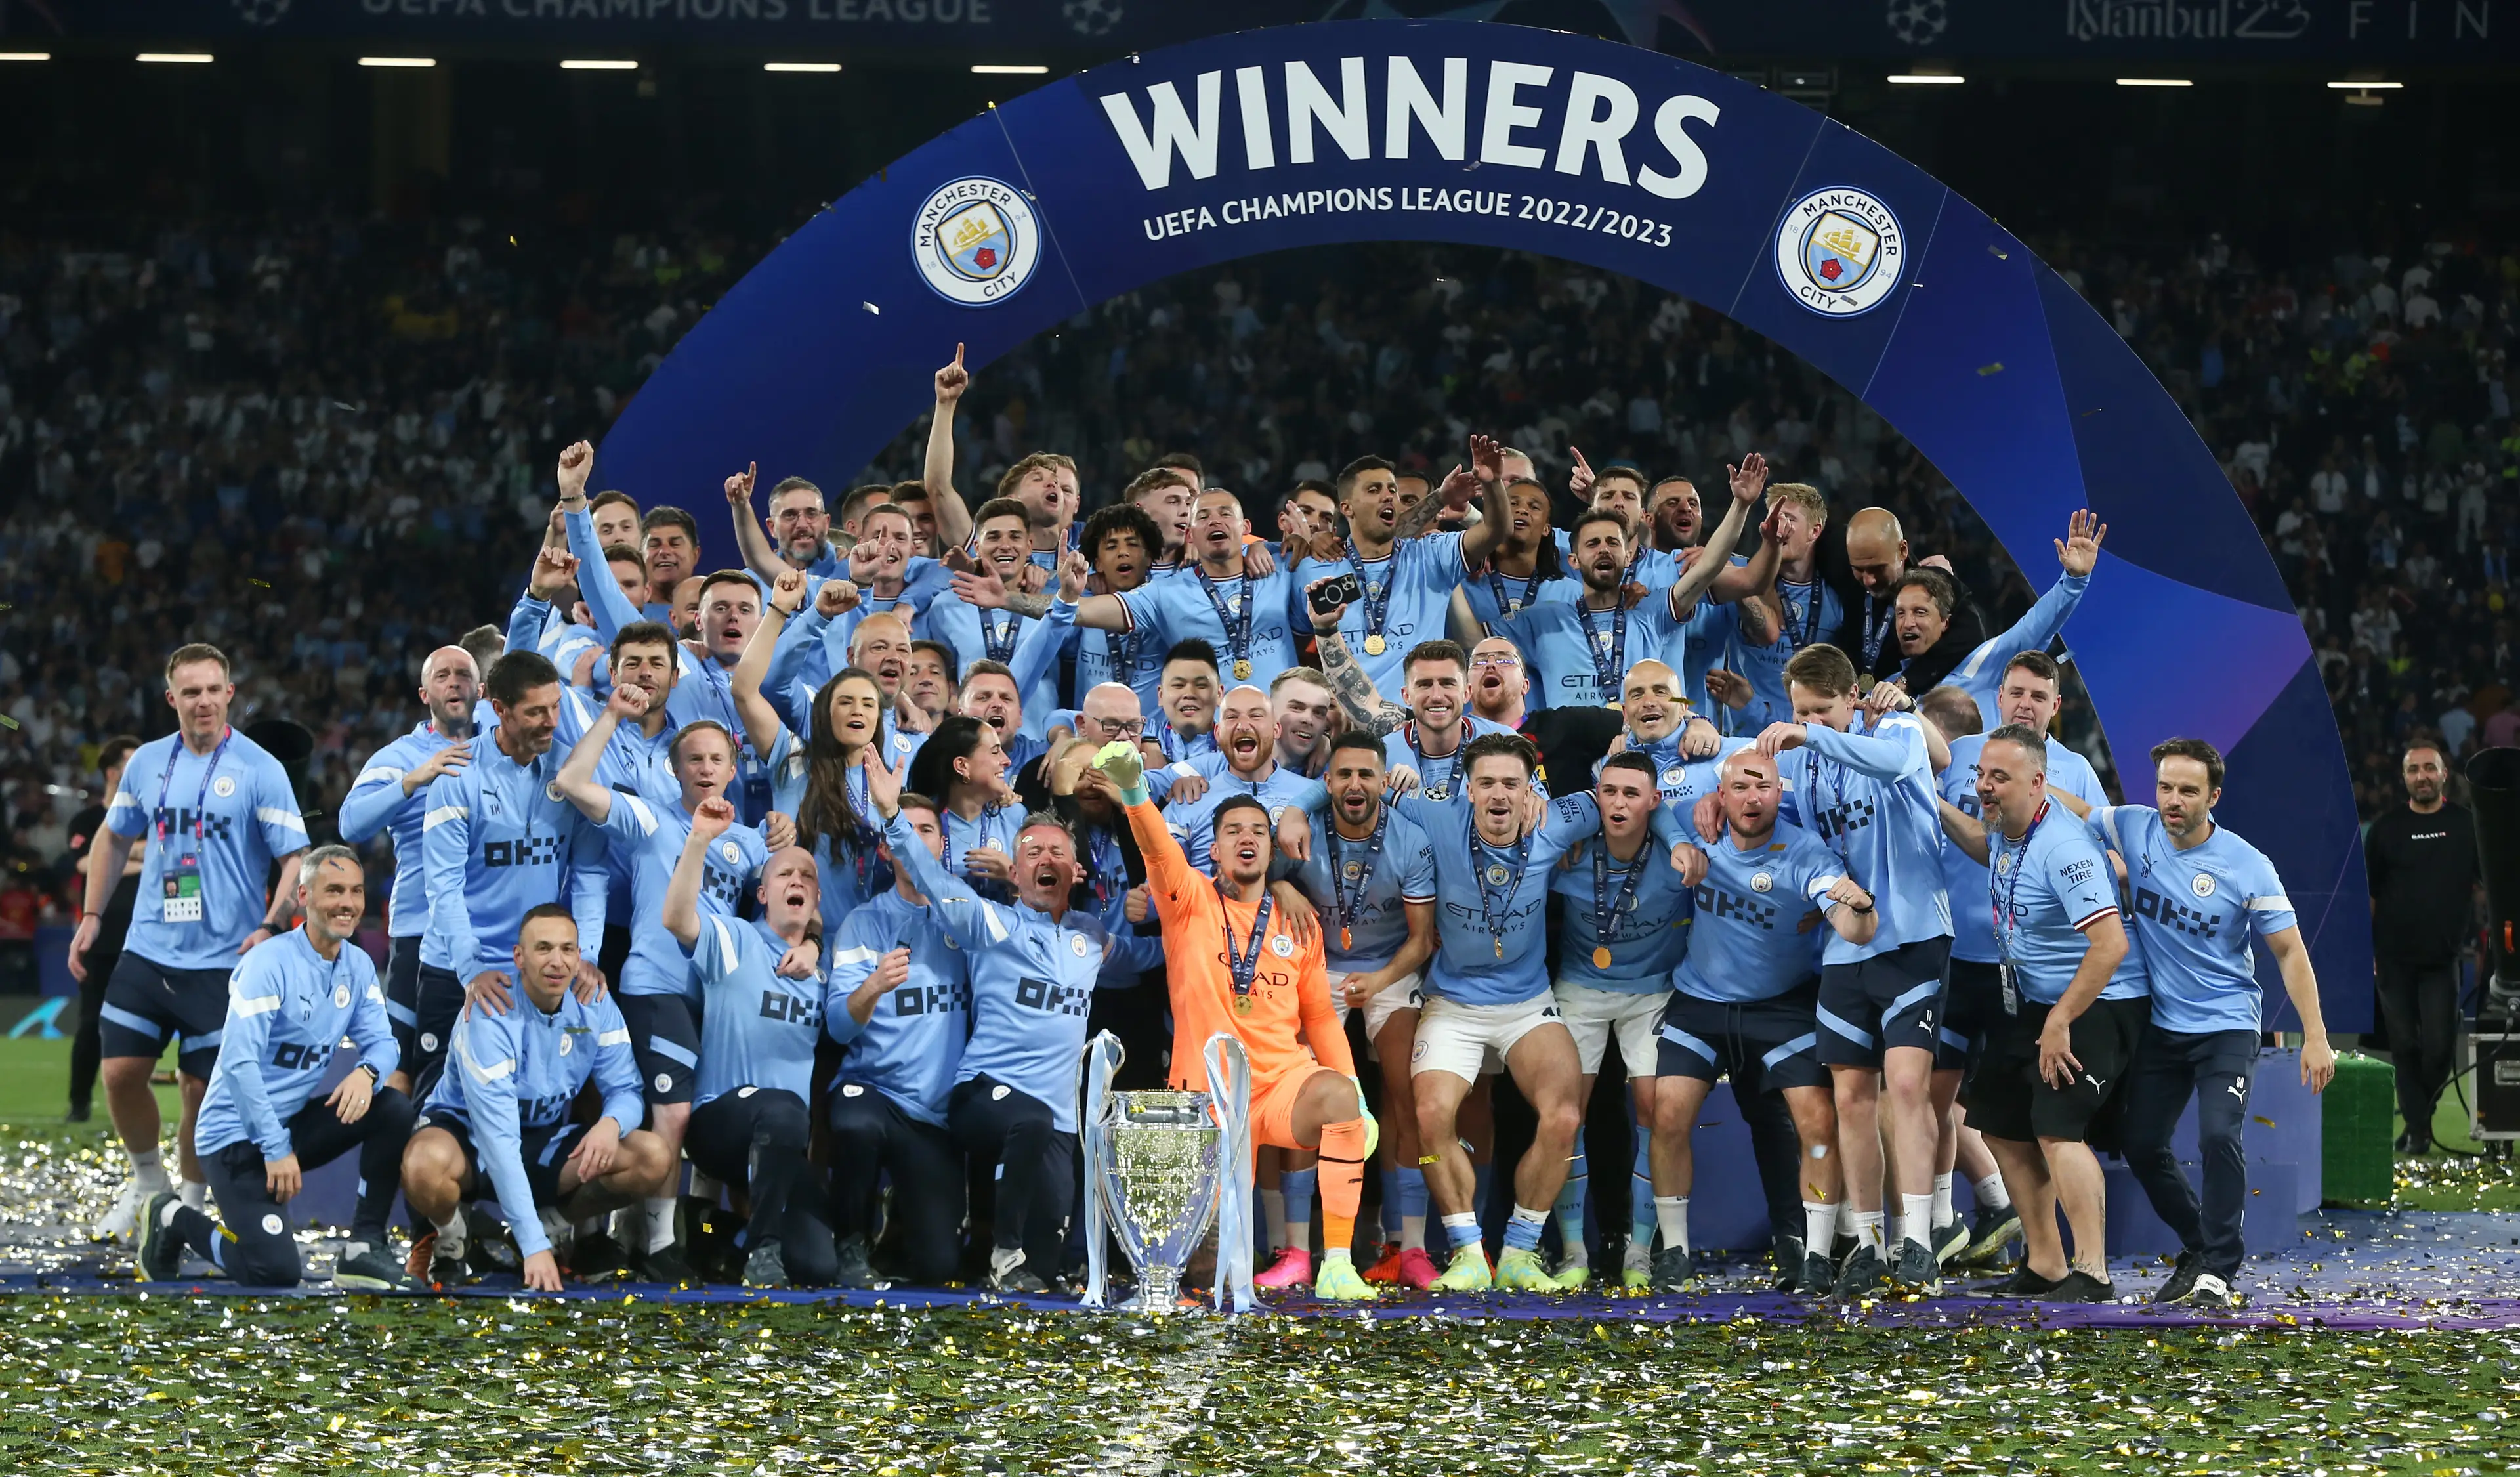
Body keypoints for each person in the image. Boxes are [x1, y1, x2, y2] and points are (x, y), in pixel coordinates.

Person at [1280, 732, 1700, 1292]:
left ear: (1531, 791)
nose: (1499, 795)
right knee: (1431, 1115)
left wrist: (1676, 842)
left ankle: (1521, 1252)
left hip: (1526, 1004)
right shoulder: (1435, 816)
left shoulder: (1560, 817)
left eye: (1511, 784)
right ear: (1468, 790)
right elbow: (1353, 783)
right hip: (1452, 1003)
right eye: (1486, 784)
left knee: (1565, 1115)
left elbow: (1645, 801)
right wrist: (1293, 808)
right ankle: (1469, 1252)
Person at [1099, 741, 1382, 1302]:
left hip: (1279, 1085)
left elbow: (1321, 1015)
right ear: (1215, 848)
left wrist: (1353, 1089)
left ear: (1270, 848)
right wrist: (1136, 794)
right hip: (1207, 1099)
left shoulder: (1295, 919)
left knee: (1337, 1098)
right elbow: (1158, 854)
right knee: (1205, 1277)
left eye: (1257, 830)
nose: (1247, 838)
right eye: (1233, 831)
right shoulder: (1189, 901)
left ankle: (1339, 1265)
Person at [1725, 642, 1951, 1296]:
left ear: (1853, 699)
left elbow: (1888, 763)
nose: (1811, 723)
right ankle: (1871, 1241)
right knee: (1851, 1098)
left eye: (1823, 711)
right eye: (1801, 712)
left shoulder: (1897, 730)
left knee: (1905, 1088)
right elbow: (1778, 820)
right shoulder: (1807, 765)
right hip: (1845, 947)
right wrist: (1721, 803)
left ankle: (1918, 1241)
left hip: (1913, 936)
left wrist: (1810, 738)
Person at [72, 644, 308, 1240]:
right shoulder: (148, 763)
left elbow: (295, 860)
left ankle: (192, 1205)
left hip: (223, 960)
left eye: (213, 690)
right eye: (191, 692)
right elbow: (110, 839)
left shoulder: (261, 769)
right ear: (172, 698)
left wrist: (272, 926)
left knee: (202, 1093)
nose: (203, 701)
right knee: (121, 1073)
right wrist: (92, 915)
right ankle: (149, 1183)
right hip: (148, 950)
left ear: (230, 694)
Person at [862, 746, 1114, 1293]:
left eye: (1057, 851)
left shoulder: (1094, 938)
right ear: (1014, 871)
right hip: (983, 1095)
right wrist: (891, 818)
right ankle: (1002, 1252)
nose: (1045, 859)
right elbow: (933, 880)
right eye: (1032, 851)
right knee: (1029, 1120)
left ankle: (1018, 1251)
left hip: (1055, 1123)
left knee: (1046, 1268)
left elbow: (1167, 929)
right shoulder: (992, 923)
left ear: (1076, 870)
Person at [2101, 738, 2338, 1310]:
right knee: (2139, 1144)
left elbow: (2289, 952)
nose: (2173, 800)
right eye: (2165, 787)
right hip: (2164, 1024)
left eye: (2188, 790)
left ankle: (2219, 1270)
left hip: (2227, 1025)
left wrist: (2316, 1035)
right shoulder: (2133, 828)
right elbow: (2073, 808)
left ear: (2214, 796)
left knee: (2216, 1135)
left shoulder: (2246, 864)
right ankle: (2200, 1247)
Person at [553, 687, 778, 1279]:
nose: (705, 769)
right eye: (693, 760)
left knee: (696, 1116)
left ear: (734, 768)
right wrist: (610, 717)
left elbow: (781, 913)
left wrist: (804, 943)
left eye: (715, 760)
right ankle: (658, 1245)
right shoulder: (651, 817)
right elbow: (574, 782)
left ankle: (637, 1231)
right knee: (668, 1114)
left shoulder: (752, 843)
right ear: (672, 770)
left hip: (720, 999)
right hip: (658, 987)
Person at [134, 847, 414, 1291]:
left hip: (287, 1126)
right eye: (334, 890)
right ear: (303, 896)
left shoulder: (357, 966)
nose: (348, 902)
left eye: (356, 891)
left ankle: (364, 1246)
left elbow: (385, 1044)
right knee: (274, 1272)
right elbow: (241, 1065)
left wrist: (367, 1072)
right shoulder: (267, 965)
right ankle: (174, 1217)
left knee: (394, 1107)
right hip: (236, 1136)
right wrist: (276, 1149)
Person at [1936, 725, 2149, 1302]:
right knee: (2001, 1127)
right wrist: (1930, 804)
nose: (1984, 786)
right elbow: (1986, 847)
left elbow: (2111, 947)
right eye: (1981, 774)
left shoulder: (2065, 848)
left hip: (2099, 1001)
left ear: (2038, 783)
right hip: (2033, 1000)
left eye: (1998, 778)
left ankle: (2093, 1272)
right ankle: (2048, 1263)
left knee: (2058, 1130)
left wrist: (2059, 1023)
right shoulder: (2011, 827)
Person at [1651, 750, 1876, 1296]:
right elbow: (1652, 809)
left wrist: (1860, 910)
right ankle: (1674, 1252)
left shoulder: (1805, 852)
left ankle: (1818, 1254)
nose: (1753, 798)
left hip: (1781, 1007)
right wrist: (1680, 842)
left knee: (1818, 1123)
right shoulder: (1697, 828)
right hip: (1699, 1003)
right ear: (1719, 797)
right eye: (1740, 788)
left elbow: (1848, 923)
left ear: (1782, 793)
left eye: (1765, 787)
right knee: (1668, 1113)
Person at [1925, 654, 2107, 1268]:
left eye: (2039, 695)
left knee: (2050, 1127)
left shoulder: (2073, 786)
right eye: (2015, 693)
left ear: (2057, 708)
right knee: (1969, 1109)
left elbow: (2110, 864)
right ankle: (1998, 1243)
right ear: (1996, 698)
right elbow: (1984, 841)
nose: (2026, 703)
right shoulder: (1964, 760)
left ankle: (2077, 1262)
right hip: (1978, 968)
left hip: (2049, 987)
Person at [402, 905, 672, 1291]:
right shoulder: (490, 1011)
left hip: (540, 1141)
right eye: (543, 948)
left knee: (652, 1156)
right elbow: (498, 1141)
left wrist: (611, 1125)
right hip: (471, 1141)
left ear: (580, 956)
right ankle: (453, 1236)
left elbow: (627, 1091)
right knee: (421, 1165)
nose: (557, 962)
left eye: (567, 949)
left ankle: (551, 1225)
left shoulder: (594, 1002)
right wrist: (534, 1250)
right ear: (519, 957)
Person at [1274, 732, 1440, 1287]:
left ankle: (1409, 1244)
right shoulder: (1299, 835)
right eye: (1344, 775)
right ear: (1328, 783)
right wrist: (1280, 884)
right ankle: (1297, 1249)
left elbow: (1421, 940)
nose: (1354, 785)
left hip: (1388, 968)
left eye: (1366, 775)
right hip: (1315, 966)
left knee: (1406, 1092)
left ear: (1383, 780)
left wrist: (1381, 980)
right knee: (1300, 1092)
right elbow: (1248, 871)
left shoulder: (1411, 840)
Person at [410, 651, 610, 1101]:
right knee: (437, 1113)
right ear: (499, 709)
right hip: (458, 969)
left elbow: (590, 873)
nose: (551, 721)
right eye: (536, 711)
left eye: (556, 706)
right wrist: (470, 969)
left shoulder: (571, 771)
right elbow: (443, 885)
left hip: (539, 971)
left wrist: (587, 955)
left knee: (540, 1104)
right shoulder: (457, 774)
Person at [664, 798, 836, 1288]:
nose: (797, 881)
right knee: (781, 1108)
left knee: (818, 1266)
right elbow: (677, 919)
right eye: (784, 875)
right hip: (720, 1122)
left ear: (818, 900)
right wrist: (699, 840)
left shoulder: (825, 972)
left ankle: (714, 1228)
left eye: (806, 876)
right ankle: (762, 1253)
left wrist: (814, 944)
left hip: (783, 1144)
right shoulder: (735, 940)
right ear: (761, 894)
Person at [1544, 752, 1697, 1291]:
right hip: (1580, 990)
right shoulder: (1569, 852)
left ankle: (1639, 1249)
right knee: (1566, 1113)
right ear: (1596, 798)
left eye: (1633, 794)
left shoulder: (1680, 858)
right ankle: (1572, 1250)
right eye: (1609, 792)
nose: (1619, 803)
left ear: (1655, 803)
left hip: (1652, 993)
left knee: (1657, 1110)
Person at [824, 789, 973, 1287]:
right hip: (873, 1091)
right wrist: (872, 986)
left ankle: (897, 1217)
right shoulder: (863, 922)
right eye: (901, 831)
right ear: (887, 849)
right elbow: (839, 1027)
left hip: (934, 1114)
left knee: (938, 1268)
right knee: (854, 1125)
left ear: (941, 846)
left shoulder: (965, 918)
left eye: (925, 830)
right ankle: (850, 1242)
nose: (912, 840)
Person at [1466, 461, 1764, 710]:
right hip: (1569, 751)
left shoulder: (1654, 607)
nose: (1603, 550)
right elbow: (1475, 638)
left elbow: (1712, 567)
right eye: (1593, 544)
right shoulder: (1546, 616)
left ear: (1628, 554)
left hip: (1648, 741)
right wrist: (1453, 569)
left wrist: (1741, 505)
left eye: (1612, 543)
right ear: (1572, 560)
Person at [337, 647, 480, 1096]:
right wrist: (413, 780)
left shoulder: (500, 746)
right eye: (443, 676)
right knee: (403, 1064)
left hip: (492, 932)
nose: (454, 682)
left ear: (482, 689)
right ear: (425, 693)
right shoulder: (400, 756)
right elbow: (351, 824)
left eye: (463, 674)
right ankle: (398, 1165)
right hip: (420, 930)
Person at [1068, 488, 1303, 692]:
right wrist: (1058, 597)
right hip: (1211, 735)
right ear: (1190, 535)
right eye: (1203, 516)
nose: (1215, 521)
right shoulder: (1165, 592)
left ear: (1245, 528)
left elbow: (1334, 561)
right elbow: (1079, 610)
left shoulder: (1282, 566)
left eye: (1225, 513)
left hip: (1282, 728)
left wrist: (1318, 539)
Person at [2365, 739, 2479, 1153]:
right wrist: (2367, 951)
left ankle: (2417, 1121)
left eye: (2429, 768)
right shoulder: (2386, 829)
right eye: (2414, 770)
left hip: (2443, 957)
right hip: (2393, 958)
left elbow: (2489, 886)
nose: (2422, 777)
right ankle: (2417, 1131)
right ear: (2404, 778)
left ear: (2444, 774)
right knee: (2405, 1046)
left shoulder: (2468, 825)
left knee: (2439, 1047)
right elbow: (2370, 895)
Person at [1884, 511, 2106, 719]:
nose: (1908, 623)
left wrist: (2073, 582)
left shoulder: (1983, 663)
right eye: (1900, 614)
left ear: (1945, 621)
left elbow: (2036, 625)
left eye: (1920, 612)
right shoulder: (1889, 690)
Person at [1293, 455, 1473, 692]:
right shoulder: (1318, 565)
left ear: (1440, 513)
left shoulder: (1442, 557)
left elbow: (1471, 642)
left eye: (1402, 497)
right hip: (1346, 716)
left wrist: (1468, 511)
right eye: (1376, 491)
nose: (1393, 502)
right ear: (1348, 507)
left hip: (1422, 710)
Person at [64, 734, 144, 1123]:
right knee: (90, 1025)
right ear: (113, 772)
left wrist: (117, 854)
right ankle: (79, 1103)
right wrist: (142, 856)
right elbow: (84, 864)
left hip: (146, 940)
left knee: (144, 1032)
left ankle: (134, 1110)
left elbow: (172, 856)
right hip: (101, 940)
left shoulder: (152, 817)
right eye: (132, 763)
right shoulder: (86, 820)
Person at [1167, 685, 1316, 874]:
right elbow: (1164, 885)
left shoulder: (1313, 796)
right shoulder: (1188, 800)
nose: (1243, 725)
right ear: (1218, 733)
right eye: (1232, 717)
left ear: (1276, 729)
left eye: (1256, 715)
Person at [907, 715, 1024, 905]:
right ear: (962, 766)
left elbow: (1039, 907)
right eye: (995, 752)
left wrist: (1015, 880)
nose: (1007, 761)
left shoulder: (1015, 816)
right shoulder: (921, 822)